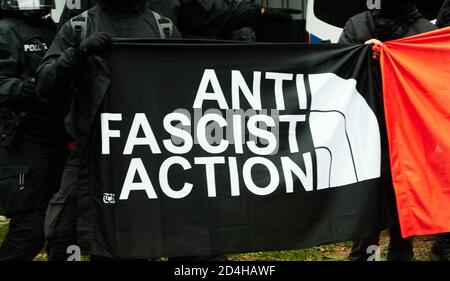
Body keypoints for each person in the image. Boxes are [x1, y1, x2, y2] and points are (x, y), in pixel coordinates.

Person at [35, 0, 180, 261]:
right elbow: (45, 84)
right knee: (64, 234)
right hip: (89, 151)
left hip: (147, 153)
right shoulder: (78, 26)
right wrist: (76, 54)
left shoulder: (163, 28)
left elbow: (184, 89)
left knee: (140, 235)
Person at [339, 0, 437, 261]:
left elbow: (435, 82)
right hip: (366, 127)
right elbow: (336, 69)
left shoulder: (425, 31)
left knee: (404, 195)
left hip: (408, 132)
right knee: (369, 194)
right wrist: (361, 55)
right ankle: (367, 254)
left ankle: (400, 252)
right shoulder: (359, 25)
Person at [0, 0, 69, 260]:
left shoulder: (52, 29)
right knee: (31, 226)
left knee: (63, 223)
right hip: (24, 139)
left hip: (59, 136)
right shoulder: (5, 30)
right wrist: (25, 88)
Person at [57, 0, 301, 40]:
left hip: (158, 97)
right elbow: (64, 42)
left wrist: (258, 13)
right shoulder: (79, 10)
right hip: (99, 108)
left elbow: (213, 10)